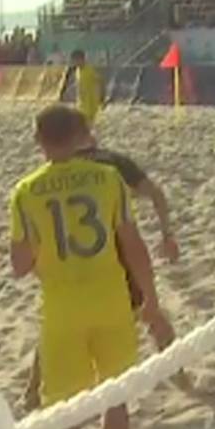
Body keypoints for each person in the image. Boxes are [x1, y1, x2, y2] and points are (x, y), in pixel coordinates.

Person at [9, 104, 161, 429]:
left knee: (67, 422)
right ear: (81, 136)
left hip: (63, 312)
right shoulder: (108, 179)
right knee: (116, 405)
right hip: (111, 304)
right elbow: (133, 245)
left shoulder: (25, 192)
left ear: (39, 142)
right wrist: (150, 299)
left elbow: (20, 265)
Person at [22, 129, 185, 411]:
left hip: (70, 263)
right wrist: (166, 234)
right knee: (151, 311)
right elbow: (156, 195)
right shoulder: (113, 163)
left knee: (59, 325)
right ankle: (179, 373)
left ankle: (33, 389)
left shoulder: (53, 173)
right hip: (115, 258)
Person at [60, 50, 104, 125]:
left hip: (90, 103)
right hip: (81, 102)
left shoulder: (90, 70)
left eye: (76, 60)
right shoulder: (78, 71)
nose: (74, 63)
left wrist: (101, 97)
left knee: (87, 123)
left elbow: (100, 82)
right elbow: (80, 83)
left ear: (81, 59)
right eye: (73, 61)